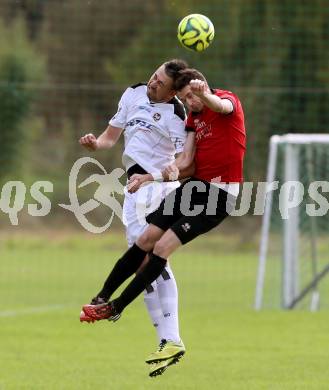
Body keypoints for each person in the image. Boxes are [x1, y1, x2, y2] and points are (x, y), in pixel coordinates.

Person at [80, 68, 246, 374]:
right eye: (185, 98)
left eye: (191, 97)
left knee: (160, 251)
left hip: (218, 195)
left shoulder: (223, 101)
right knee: (145, 242)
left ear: (201, 89)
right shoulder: (191, 119)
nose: (190, 104)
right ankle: (103, 296)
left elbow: (220, 106)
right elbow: (185, 164)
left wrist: (204, 94)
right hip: (191, 188)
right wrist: (150, 176)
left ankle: (123, 312)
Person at [79, 59, 190, 377]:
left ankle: (171, 338)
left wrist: (161, 175)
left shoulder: (176, 114)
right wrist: (95, 144)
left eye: (160, 83)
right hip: (132, 190)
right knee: (145, 265)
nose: (152, 83)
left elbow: (184, 161)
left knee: (155, 259)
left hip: (156, 190)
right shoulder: (133, 94)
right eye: (153, 76)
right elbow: (110, 137)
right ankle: (166, 341)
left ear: (171, 93)